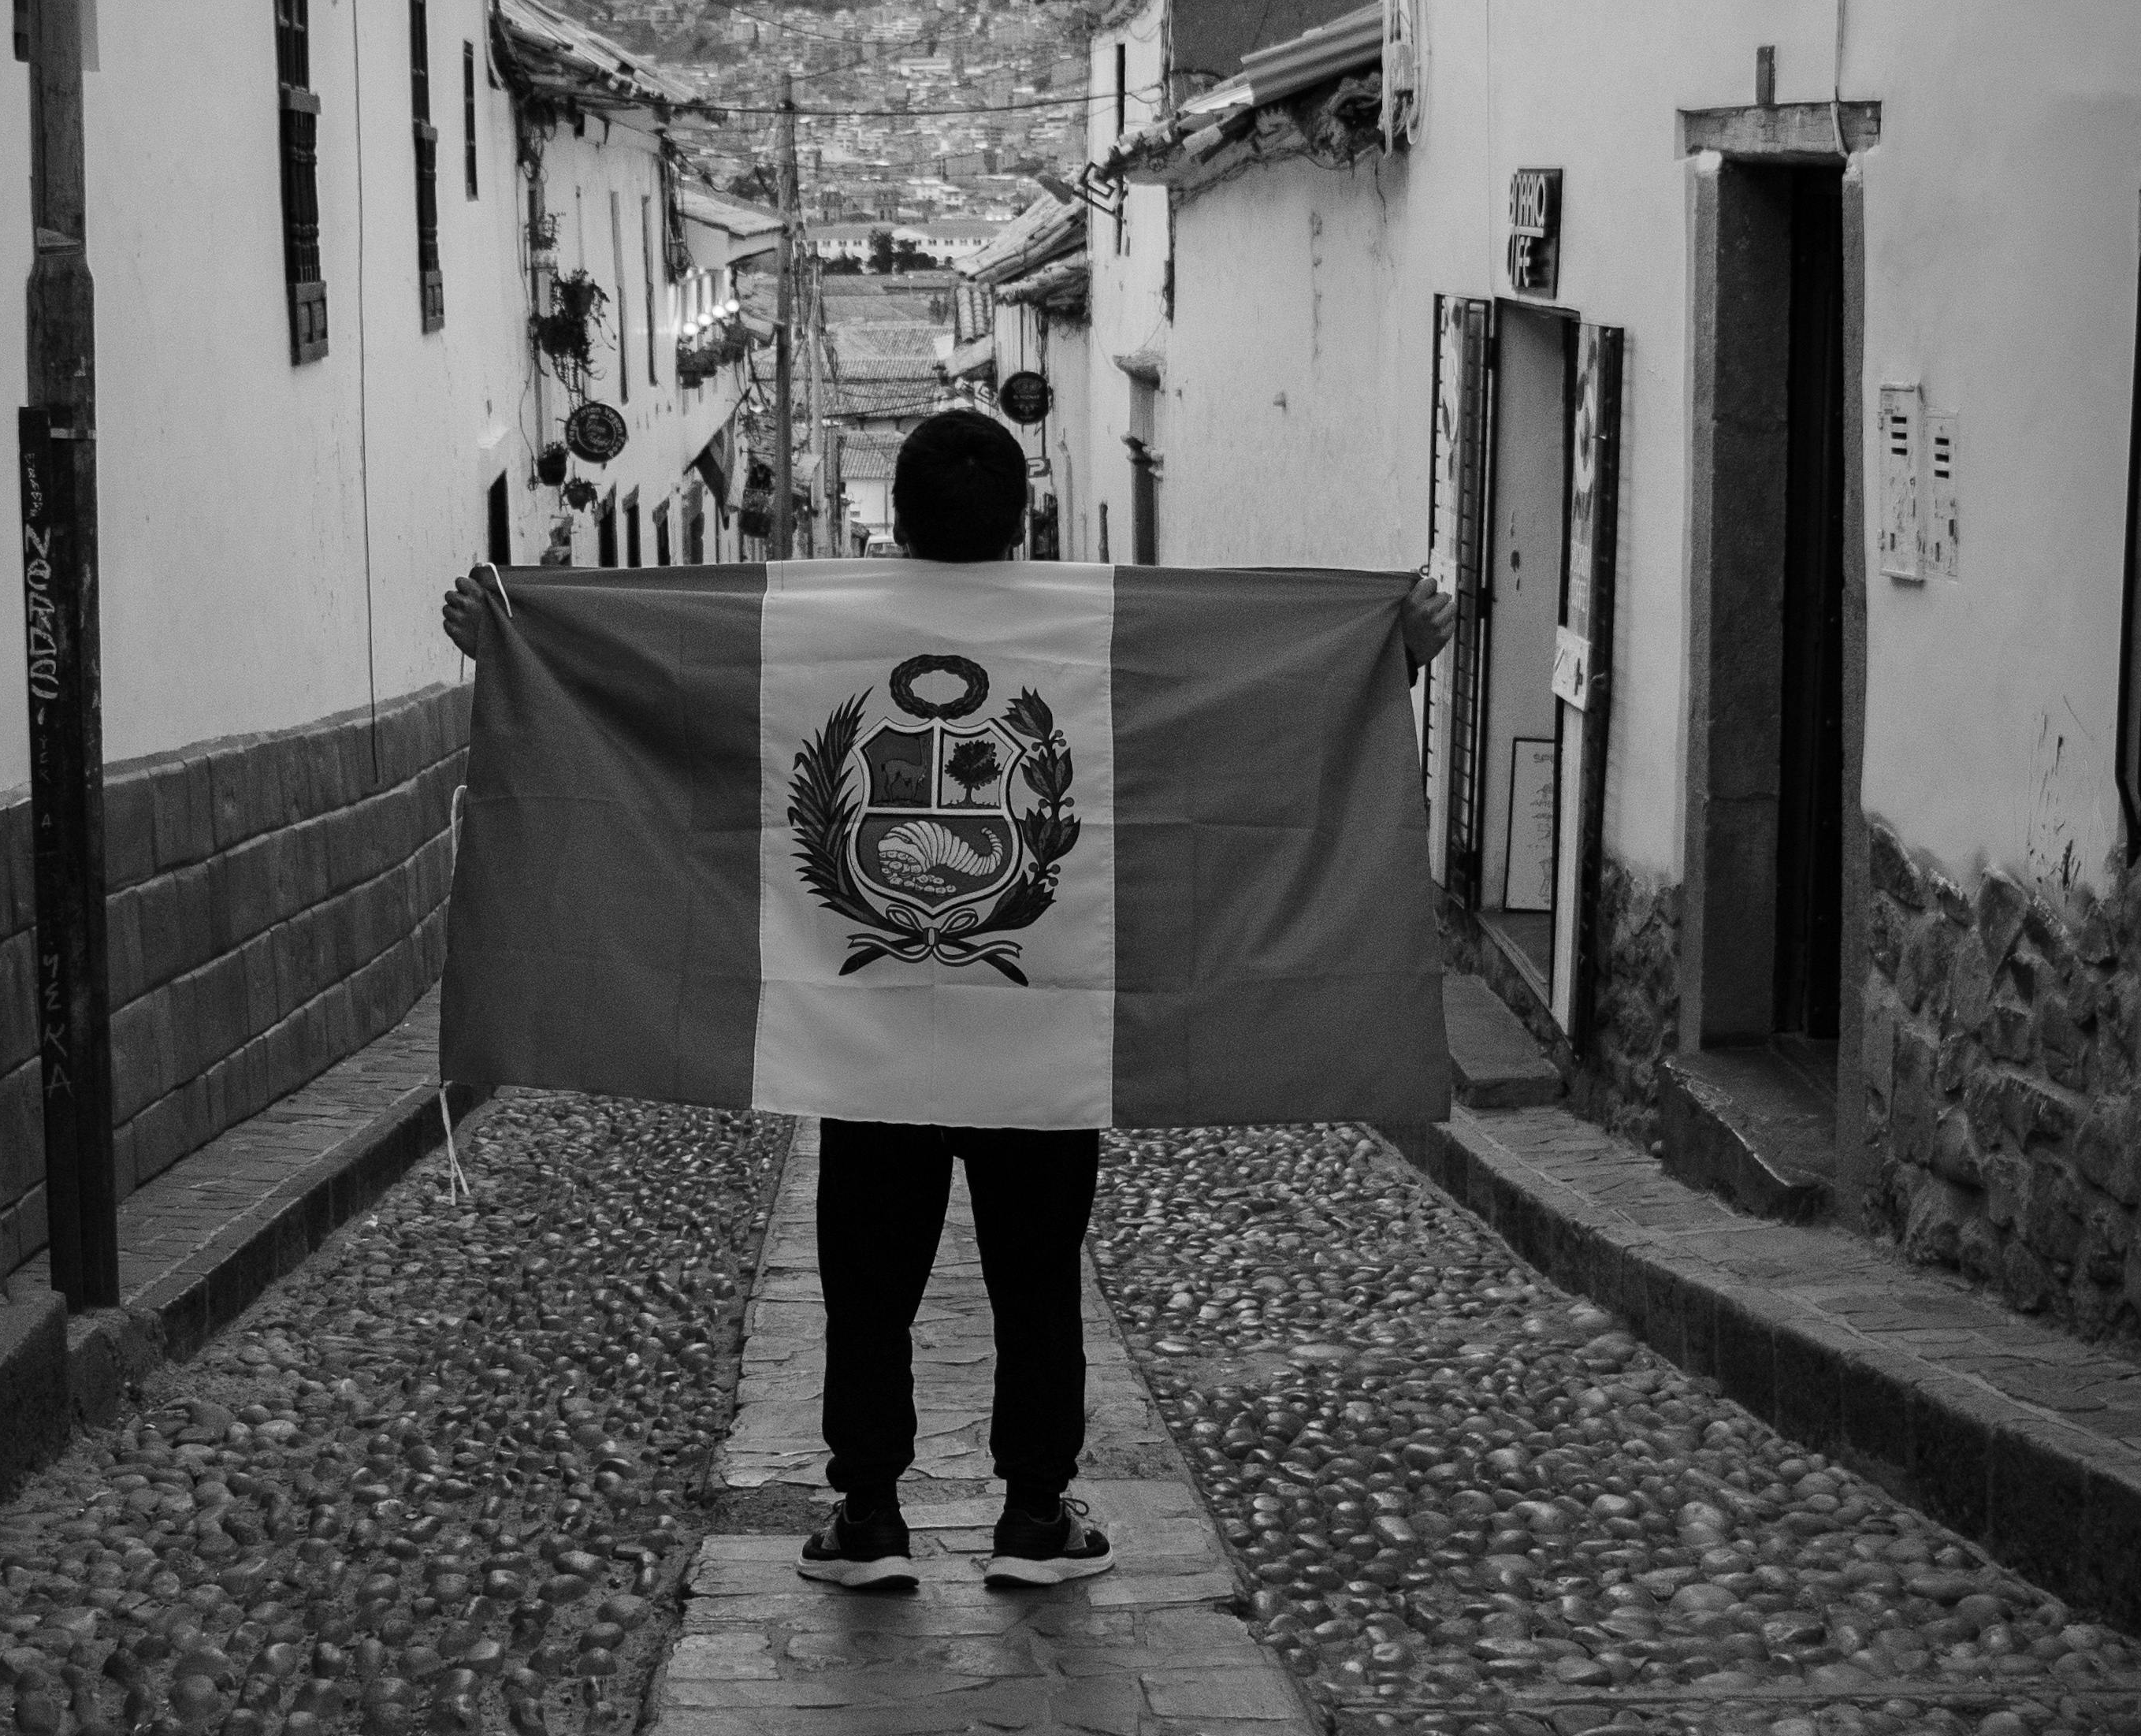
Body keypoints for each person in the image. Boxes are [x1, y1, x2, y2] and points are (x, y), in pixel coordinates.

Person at [444, 408, 1454, 1597]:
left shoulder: (821, 631)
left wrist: (511, 642)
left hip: (868, 1043)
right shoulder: (1092, 631)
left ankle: (867, 1512)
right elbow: (1254, 707)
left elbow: (669, 698)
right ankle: (1034, 1515)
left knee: (867, 1282)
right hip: (1044, 1032)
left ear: (901, 517)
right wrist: (1392, 649)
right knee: (1037, 1281)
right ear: (1024, 515)